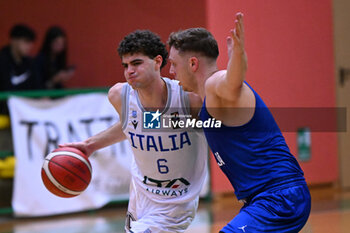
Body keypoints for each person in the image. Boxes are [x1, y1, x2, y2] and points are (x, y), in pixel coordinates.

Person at [167, 13, 311, 232]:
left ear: (193, 63)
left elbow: (233, 82)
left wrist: (239, 58)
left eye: (174, 64)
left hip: (279, 197)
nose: (171, 71)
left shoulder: (216, 84)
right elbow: (172, 122)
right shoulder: (207, 105)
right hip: (265, 200)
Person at [60, 30, 208, 233]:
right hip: (141, 200)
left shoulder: (189, 100)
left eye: (136, 63)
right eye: (126, 65)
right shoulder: (119, 96)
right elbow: (135, 125)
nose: (129, 70)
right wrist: (89, 145)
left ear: (157, 62)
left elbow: (220, 130)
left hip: (176, 204)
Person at [0, 24, 37, 93]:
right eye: (26, 41)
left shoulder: (30, 63)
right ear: (13, 40)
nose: (30, 46)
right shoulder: (2, 61)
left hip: (28, 102)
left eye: (31, 43)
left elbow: (37, 87)